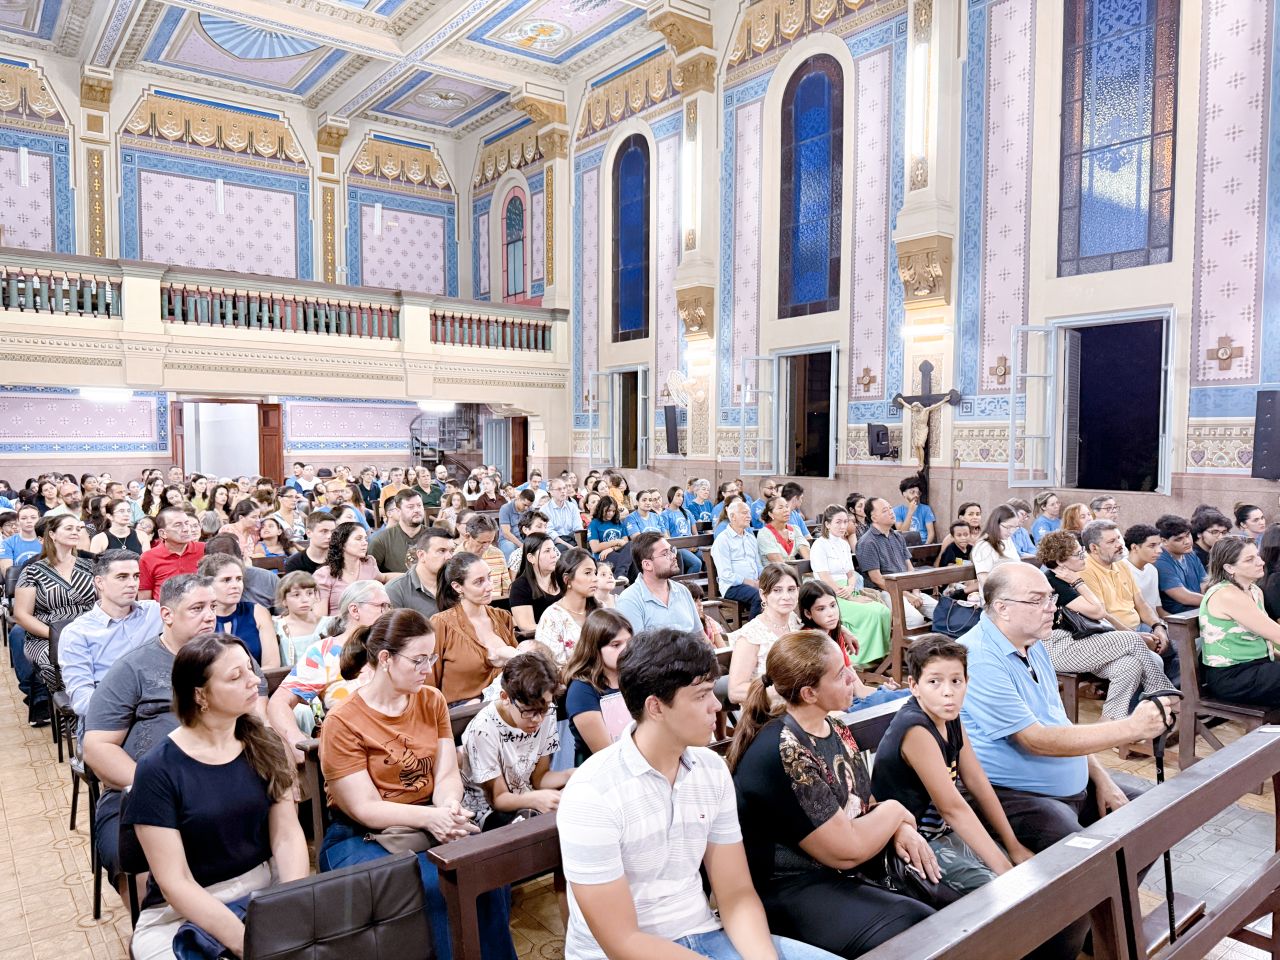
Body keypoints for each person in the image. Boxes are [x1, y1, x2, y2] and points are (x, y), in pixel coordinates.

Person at [558, 626, 838, 960]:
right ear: (656, 707)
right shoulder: (592, 793)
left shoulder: (710, 768)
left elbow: (735, 894)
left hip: (702, 934)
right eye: (701, 696)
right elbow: (623, 942)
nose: (716, 707)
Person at [957, 564, 1173, 960]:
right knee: (1081, 861)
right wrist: (1129, 728)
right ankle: (1057, 949)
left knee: (1146, 815)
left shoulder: (1033, 644)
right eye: (1037, 600)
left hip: (1067, 783)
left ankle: (1095, 929)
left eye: (1051, 598)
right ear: (1002, 608)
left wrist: (1103, 778)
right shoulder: (980, 658)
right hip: (1013, 795)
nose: (1051, 609)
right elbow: (1034, 739)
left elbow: (1058, 722)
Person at [318, 609, 517, 960]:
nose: (428, 669)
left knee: (487, 874)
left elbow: (445, 773)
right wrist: (431, 819)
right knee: (434, 886)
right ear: (385, 659)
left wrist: (448, 808)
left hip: (427, 816)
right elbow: (364, 807)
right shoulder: (344, 721)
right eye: (419, 660)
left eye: (432, 657)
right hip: (362, 833)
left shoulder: (430, 699)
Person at [727, 630, 937, 958]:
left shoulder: (835, 728)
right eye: (841, 675)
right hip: (789, 887)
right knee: (915, 926)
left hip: (838, 871)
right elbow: (847, 849)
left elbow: (861, 807)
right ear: (810, 692)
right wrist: (896, 811)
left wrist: (900, 828)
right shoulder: (783, 749)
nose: (852, 677)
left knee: (951, 902)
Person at [126, 633, 309, 960]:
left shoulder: (264, 742)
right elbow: (175, 883)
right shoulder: (158, 770)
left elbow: (286, 834)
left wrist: (291, 903)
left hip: (261, 890)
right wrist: (249, 942)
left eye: (250, 669)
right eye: (236, 677)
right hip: (182, 911)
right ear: (200, 695)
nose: (254, 681)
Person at [83, 575, 226, 887]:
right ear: (167, 615)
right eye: (198, 608)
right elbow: (96, 747)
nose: (210, 615)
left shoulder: (232, 658)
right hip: (145, 791)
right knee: (146, 871)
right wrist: (160, 789)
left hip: (223, 783)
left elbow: (258, 722)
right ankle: (154, 930)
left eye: (213, 606)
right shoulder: (133, 668)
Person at [871, 635, 1035, 894]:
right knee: (1000, 890)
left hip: (943, 831)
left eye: (956, 681)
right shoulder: (915, 728)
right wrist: (1007, 871)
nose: (948, 691)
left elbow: (976, 779)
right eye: (934, 682)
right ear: (914, 686)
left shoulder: (950, 716)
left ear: (967, 682)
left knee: (1027, 870)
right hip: (911, 840)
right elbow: (952, 808)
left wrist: (1012, 845)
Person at [1036, 531, 1170, 720]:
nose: (1084, 556)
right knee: (1133, 640)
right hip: (1057, 647)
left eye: (1082, 550)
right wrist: (1078, 581)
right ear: (1060, 560)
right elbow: (1098, 611)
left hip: (1080, 642)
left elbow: (1100, 615)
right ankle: (1162, 692)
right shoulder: (1054, 581)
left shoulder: (1066, 578)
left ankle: (1109, 723)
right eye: (1078, 554)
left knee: (1130, 666)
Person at [267, 580, 389, 749]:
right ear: (354, 610)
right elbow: (279, 702)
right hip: (350, 744)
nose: (388, 613)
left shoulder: (396, 646)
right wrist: (297, 743)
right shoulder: (325, 652)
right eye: (381, 606)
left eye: (389, 606)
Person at [460, 651, 573, 831]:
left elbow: (539, 778)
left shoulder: (546, 711)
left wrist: (571, 775)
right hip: (487, 813)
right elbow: (498, 799)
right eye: (528, 711)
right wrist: (535, 799)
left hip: (525, 795)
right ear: (505, 698)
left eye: (543, 709)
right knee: (536, 822)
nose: (537, 719)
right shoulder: (483, 729)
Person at [57, 550, 162, 723]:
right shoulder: (78, 633)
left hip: (160, 712)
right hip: (111, 719)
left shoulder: (155, 612)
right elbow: (82, 700)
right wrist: (135, 708)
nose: (132, 584)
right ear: (100, 582)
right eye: (122, 577)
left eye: (136, 576)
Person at [1079, 520, 1178, 685]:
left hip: (1137, 627)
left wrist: (1157, 626)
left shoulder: (1121, 565)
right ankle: (1140, 706)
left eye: (1118, 538)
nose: (1119, 545)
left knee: (1178, 645)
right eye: (1111, 542)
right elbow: (1102, 617)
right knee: (1152, 661)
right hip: (1111, 635)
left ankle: (1167, 696)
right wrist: (1135, 637)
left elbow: (1141, 604)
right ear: (1094, 548)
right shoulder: (1085, 570)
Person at [14, 513, 96, 693]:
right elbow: (21, 615)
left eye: (78, 528)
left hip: (90, 631)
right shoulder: (32, 571)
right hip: (48, 636)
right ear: (52, 534)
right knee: (61, 665)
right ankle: (72, 715)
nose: (75, 532)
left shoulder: (90, 566)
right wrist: (58, 636)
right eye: (68, 528)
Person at [797, 581, 906, 710]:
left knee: (902, 696)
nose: (831, 613)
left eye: (833, 605)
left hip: (850, 700)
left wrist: (883, 691)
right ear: (808, 613)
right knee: (902, 699)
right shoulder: (809, 641)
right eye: (821, 609)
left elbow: (859, 689)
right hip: (832, 709)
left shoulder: (835, 634)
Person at [1198, 537, 1280, 705]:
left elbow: (1262, 638)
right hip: (1233, 676)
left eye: (1257, 555)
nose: (1261, 562)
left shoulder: (1254, 590)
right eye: (1250, 559)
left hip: (1258, 666)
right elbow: (1276, 634)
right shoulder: (1226, 594)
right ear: (1229, 567)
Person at [807, 505, 891, 667]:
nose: (843, 526)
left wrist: (851, 588)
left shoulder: (844, 544)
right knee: (870, 612)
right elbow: (824, 577)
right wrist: (849, 596)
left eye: (845, 522)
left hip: (847, 588)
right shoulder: (819, 545)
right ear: (828, 524)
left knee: (883, 610)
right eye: (838, 522)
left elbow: (851, 573)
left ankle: (878, 656)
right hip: (827, 593)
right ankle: (859, 659)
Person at [430, 553, 519, 705]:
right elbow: (429, 682)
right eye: (479, 582)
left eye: (489, 578)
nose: (490, 587)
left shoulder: (503, 617)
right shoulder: (441, 623)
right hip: (461, 714)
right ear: (457, 587)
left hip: (505, 707)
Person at [726, 564, 803, 704]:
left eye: (791, 590)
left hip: (800, 705)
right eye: (777, 590)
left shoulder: (794, 621)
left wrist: (842, 631)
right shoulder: (751, 636)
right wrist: (780, 691)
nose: (786, 596)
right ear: (763, 595)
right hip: (767, 712)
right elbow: (735, 691)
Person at [856, 498, 936, 628]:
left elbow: (910, 569)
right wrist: (907, 595)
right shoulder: (867, 542)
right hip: (886, 592)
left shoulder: (898, 536)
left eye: (890, 508)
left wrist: (915, 592)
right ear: (874, 517)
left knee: (940, 613)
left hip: (908, 588)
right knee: (916, 621)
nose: (891, 512)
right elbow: (877, 579)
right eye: (885, 510)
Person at [199, 554, 278, 668]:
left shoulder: (258, 612)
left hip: (256, 683)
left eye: (239, 579)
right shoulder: (198, 617)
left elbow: (272, 665)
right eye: (226, 580)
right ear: (208, 584)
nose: (235, 586)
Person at [615, 532, 701, 634]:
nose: (673, 556)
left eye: (671, 550)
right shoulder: (630, 600)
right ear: (647, 565)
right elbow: (636, 648)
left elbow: (700, 635)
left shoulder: (683, 591)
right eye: (665, 553)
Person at [534, 548, 598, 665]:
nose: (595, 579)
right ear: (567, 580)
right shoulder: (552, 617)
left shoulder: (601, 609)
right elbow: (552, 667)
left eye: (595, 573)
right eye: (588, 573)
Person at [315, 522, 386, 615]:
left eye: (365, 538)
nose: (365, 543)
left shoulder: (369, 563)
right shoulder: (323, 575)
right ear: (342, 543)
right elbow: (320, 618)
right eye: (358, 539)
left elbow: (383, 577)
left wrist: (409, 575)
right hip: (338, 626)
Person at [139, 506, 206, 600]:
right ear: (163, 533)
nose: (186, 529)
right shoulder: (148, 558)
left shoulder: (204, 549)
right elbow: (145, 602)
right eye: (178, 525)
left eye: (187, 523)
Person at [711, 500, 763, 620]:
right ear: (733, 516)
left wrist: (765, 580)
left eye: (749, 512)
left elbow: (758, 565)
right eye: (744, 513)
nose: (749, 516)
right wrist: (751, 582)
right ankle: (752, 633)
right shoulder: (723, 540)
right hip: (732, 586)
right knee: (759, 596)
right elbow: (725, 574)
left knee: (778, 590)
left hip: (754, 583)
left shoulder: (750, 538)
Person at [387, 527, 454, 619]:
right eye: (441, 551)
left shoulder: (457, 584)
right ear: (421, 555)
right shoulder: (396, 590)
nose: (449, 557)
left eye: (451, 551)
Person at [509, 533, 563, 632]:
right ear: (531, 558)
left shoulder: (562, 579)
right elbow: (527, 626)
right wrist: (560, 631)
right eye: (547, 551)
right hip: (538, 641)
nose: (554, 555)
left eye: (553, 550)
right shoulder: (520, 586)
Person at [1153, 515, 1206, 615]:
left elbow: (1205, 585)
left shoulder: (1190, 553)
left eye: (1188, 535)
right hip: (1179, 618)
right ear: (1164, 541)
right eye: (1179, 539)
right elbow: (1184, 597)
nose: (1187, 541)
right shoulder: (1160, 560)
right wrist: (1215, 601)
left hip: (1201, 610)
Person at [273, 571, 327, 667]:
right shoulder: (276, 627)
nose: (305, 600)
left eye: (309, 593)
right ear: (284, 600)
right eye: (296, 595)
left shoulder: (328, 624)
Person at [456, 514, 512, 600]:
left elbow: (506, 590)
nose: (486, 546)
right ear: (467, 537)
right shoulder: (455, 558)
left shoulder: (497, 553)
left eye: (490, 541)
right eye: (482, 542)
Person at [369, 489, 425, 574]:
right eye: (410, 507)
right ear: (398, 511)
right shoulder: (381, 540)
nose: (417, 510)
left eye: (419, 505)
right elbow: (371, 575)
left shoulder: (435, 537)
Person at [969, 505, 1022, 590]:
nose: (1011, 532)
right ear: (995, 523)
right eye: (1008, 527)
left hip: (1014, 590)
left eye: (1015, 528)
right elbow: (985, 581)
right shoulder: (983, 546)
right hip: (998, 596)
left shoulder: (1007, 539)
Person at [1122, 522, 1163, 615]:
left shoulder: (1152, 570)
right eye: (1152, 546)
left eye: (1159, 545)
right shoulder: (1121, 570)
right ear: (1134, 547)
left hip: (1153, 623)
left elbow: (1156, 607)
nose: (1159, 550)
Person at [757, 496, 811, 565]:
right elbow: (779, 563)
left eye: (786, 506)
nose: (786, 510)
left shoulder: (795, 529)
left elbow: (807, 555)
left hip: (795, 570)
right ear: (771, 514)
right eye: (780, 508)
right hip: (776, 572)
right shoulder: (764, 533)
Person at [281, 510, 334, 576]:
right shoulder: (294, 563)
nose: (330, 536)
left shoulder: (341, 559)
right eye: (324, 531)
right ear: (309, 533)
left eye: (333, 531)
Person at [543, 478, 585, 551]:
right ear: (551, 492)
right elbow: (551, 534)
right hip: (556, 542)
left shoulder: (572, 507)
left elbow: (578, 528)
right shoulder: (545, 510)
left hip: (572, 538)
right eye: (559, 489)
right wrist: (570, 547)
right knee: (563, 549)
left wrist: (580, 546)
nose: (563, 491)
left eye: (564, 488)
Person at [893, 475, 936, 544]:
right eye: (912, 492)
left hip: (923, 543)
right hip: (905, 545)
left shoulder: (926, 509)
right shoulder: (897, 510)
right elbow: (902, 533)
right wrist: (910, 512)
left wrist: (925, 547)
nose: (916, 495)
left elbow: (931, 533)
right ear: (904, 494)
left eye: (918, 493)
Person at [0, 502, 41, 574]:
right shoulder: (7, 543)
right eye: (24, 518)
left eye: (33, 518)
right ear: (18, 521)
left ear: (39, 519)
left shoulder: (49, 540)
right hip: (19, 583)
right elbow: (8, 574)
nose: (29, 521)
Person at [497, 488, 535, 560]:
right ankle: (510, 570)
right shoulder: (505, 509)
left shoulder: (530, 509)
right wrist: (521, 545)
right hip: (507, 540)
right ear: (518, 498)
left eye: (529, 506)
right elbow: (506, 533)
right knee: (509, 548)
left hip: (524, 538)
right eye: (525, 505)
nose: (527, 508)